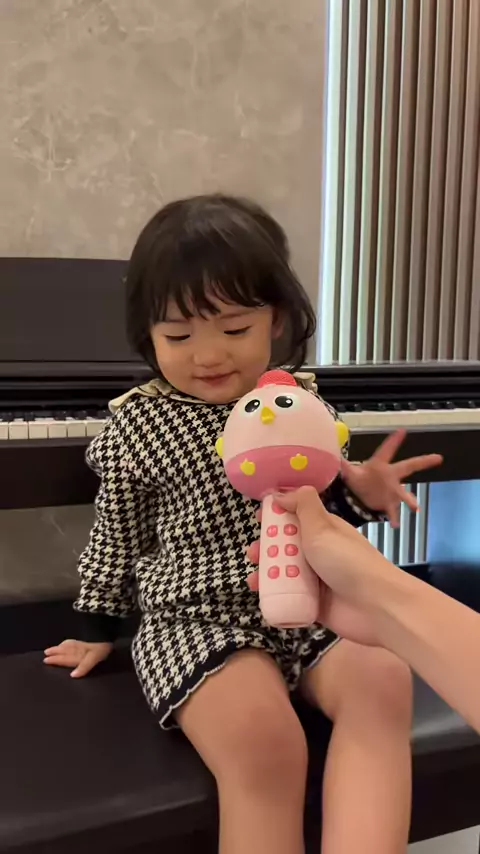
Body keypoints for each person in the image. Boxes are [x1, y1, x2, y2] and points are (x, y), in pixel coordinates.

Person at [44, 194, 441, 854]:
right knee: (265, 743)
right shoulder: (140, 424)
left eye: (233, 330)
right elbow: (117, 533)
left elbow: (324, 508)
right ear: (148, 335)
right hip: (196, 618)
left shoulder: (300, 402)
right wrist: (96, 626)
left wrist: (363, 494)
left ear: (275, 320)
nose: (207, 355)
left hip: (315, 603)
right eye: (178, 337)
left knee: (383, 681)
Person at [247, 486, 480, 735]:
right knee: (259, 721)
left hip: (324, 607)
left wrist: (360, 494)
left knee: (383, 679)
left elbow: (332, 511)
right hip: (228, 623)